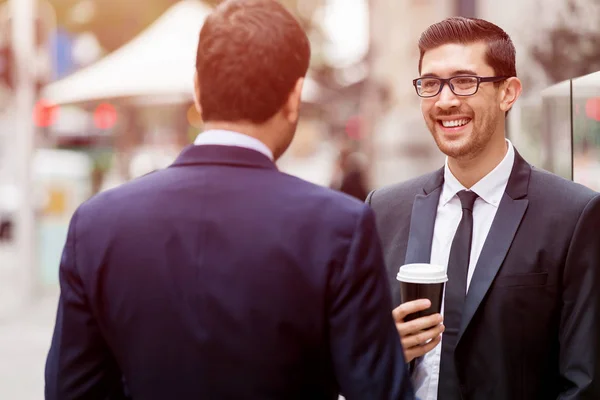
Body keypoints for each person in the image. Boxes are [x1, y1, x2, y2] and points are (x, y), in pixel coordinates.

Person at [44, 1, 413, 399]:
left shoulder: (98, 223)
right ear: (294, 97)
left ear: (199, 92)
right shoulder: (340, 226)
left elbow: (71, 390)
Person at [366, 16, 600, 400]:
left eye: (464, 81)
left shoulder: (575, 216)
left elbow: (584, 383)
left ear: (508, 93)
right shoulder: (383, 209)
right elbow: (353, 359)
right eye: (431, 84)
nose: (445, 100)